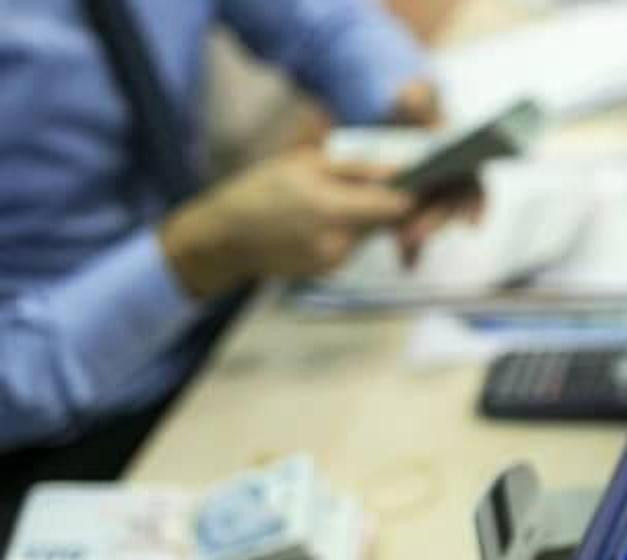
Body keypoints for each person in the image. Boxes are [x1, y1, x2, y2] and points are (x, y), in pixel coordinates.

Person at [0, 1, 468, 466]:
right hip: (65, 429)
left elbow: (324, 22)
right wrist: (195, 255)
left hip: (222, 336)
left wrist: (397, 104)